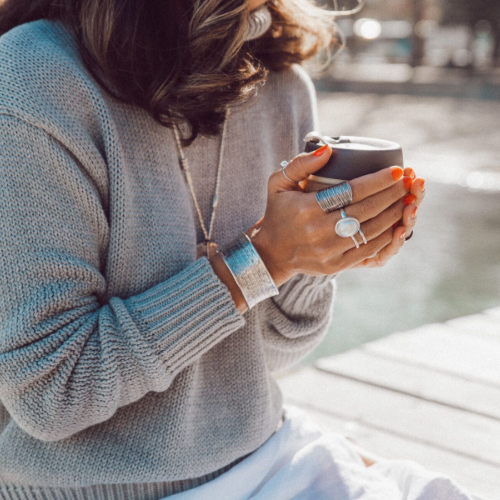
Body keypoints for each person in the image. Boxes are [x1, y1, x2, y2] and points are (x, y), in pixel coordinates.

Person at [0, 0, 479, 499]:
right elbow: (50, 391)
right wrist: (264, 259)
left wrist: (316, 258)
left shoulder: (283, 82)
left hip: (267, 456)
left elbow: (268, 351)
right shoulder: (31, 78)